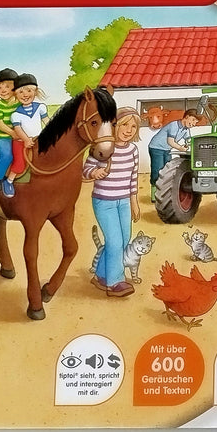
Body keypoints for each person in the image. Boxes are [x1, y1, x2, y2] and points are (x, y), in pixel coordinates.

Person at [83, 106, 141, 298]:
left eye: (133, 127)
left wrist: (134, 202)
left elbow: (133, 179)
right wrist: (95, 172)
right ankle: (115, 282)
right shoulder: (104, 148)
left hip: (124, 201)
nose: (129, 130)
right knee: (115, 241)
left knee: (123, 240)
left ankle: (101, 276)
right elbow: (86, 170)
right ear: (114, 125)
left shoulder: (133, 150)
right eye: (124, 125)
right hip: (104, 201)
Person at [3, 73, 49, 198]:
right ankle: (9, 181)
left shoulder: (40, 108)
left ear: (35, 91)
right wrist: (26, 140)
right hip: (21, 141)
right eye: (21, 92)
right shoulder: (16, 114)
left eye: (29, 91)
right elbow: (18, 129)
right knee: (20, 163)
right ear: (16, 95)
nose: (25, 95)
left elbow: (46, 121)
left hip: (38, 140)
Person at [147, 110, 200, 201]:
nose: (194, 124)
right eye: (193, 120)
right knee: (157, 170)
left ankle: (163, 193)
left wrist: (191, 145)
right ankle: (154, 195)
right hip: (156, 147)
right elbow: (170, 141)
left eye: (196, 122)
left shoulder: (186, 129)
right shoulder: (174, 125)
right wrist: (180, 148)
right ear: (187, 117)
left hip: (166, 149)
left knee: (167, 170)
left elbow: (189, 140)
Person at [0, 68, 19, 194]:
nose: (3, 90)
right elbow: (0, 125)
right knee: (6, 155)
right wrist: (12, 133)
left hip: (21, 135)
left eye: (7, 86)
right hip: (4, 137)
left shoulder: (20, 103)